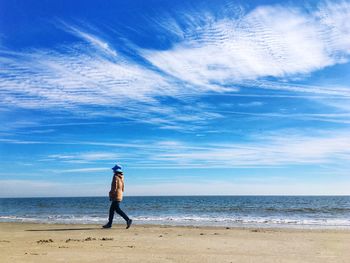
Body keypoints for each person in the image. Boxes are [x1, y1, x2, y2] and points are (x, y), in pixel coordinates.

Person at [103, 164, 132, 229]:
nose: (113, 171)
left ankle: (128, 220)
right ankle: (109, 224)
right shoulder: (121, 177)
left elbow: (114, 187)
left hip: (115, 195)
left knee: (117, 210)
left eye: (113, 170)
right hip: (119, 195)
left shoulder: (115, 177)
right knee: (112, 210)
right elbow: (122, 187)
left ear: (115, 171)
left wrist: (111, 194)